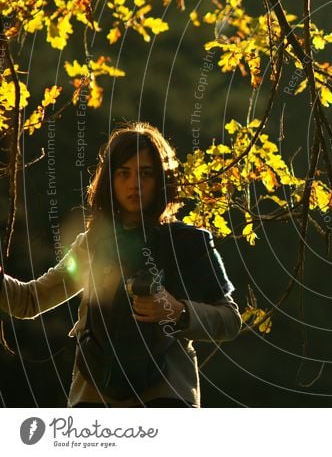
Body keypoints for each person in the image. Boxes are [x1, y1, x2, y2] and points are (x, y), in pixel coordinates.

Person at [0, 122, 241, 407]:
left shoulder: (188, 243)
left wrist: (178, 311)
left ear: (162, 180)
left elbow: (230, 320)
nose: (134, 184)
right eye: (124, 173)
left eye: (146, 174)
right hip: (94, 400)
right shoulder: (92, 245)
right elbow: (29, 301)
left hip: (165, 398)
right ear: (110, 180)